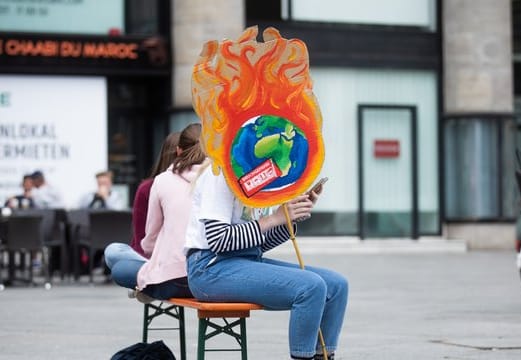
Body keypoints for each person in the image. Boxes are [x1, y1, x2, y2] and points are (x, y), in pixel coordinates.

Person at [185, 168, 348, 360]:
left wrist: (289, 218)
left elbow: (260, 243)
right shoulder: (219, 174)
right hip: (209, 268)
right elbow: (219, 239)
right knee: (310, 286)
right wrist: (274, 218)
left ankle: (324, 356)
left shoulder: (260, 175)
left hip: (245, 260)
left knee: (337, 285)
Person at [104, 123, 206, 302]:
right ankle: (147, 283)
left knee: (116, 260)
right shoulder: (221, 179)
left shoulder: (161, 182)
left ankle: (146, 287)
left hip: (172, 277)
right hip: (210, 275)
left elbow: (148, 243)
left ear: (178, 151)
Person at [130, 131, 182, 257]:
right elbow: (140, 239)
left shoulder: (200, 185)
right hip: (150, 256)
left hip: (171, 259)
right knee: (115, 251)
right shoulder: (147, 188)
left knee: (115, 253)